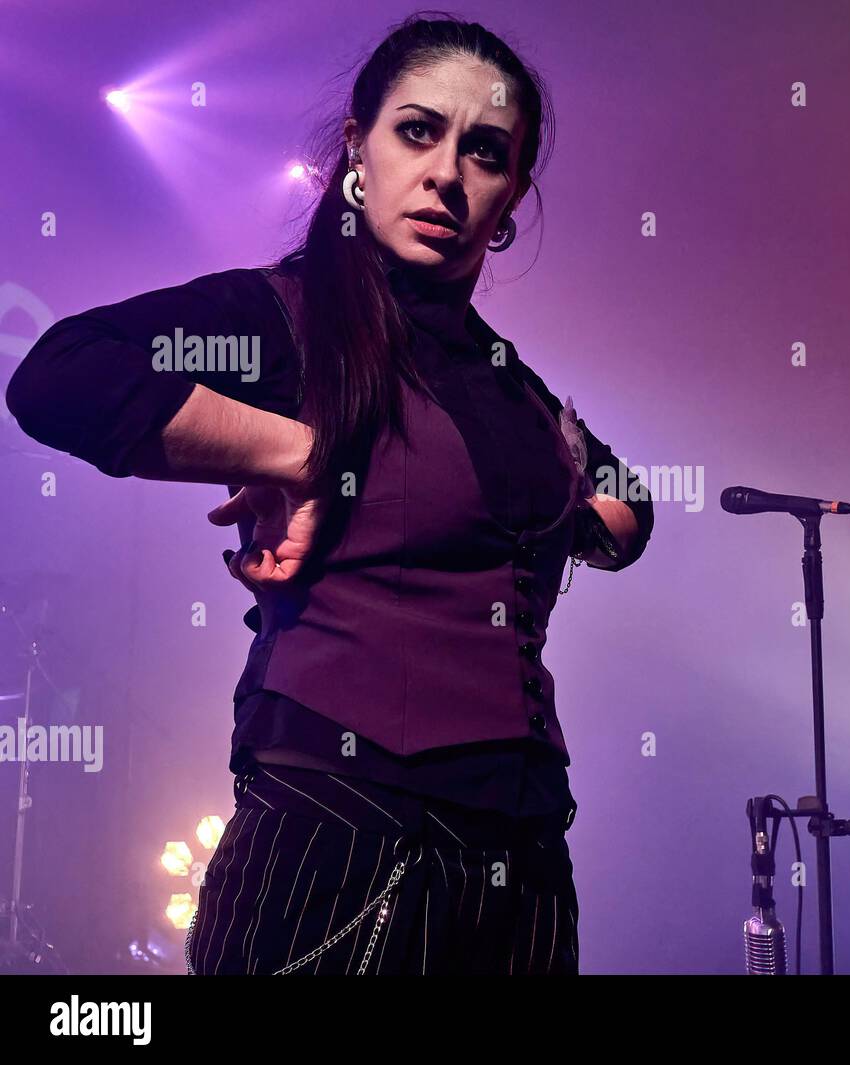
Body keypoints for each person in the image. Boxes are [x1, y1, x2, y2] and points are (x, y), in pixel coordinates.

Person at [5, 14, 654, 974]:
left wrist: (585, 514)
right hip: (346, 846)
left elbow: (627, 504)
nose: (447, 174)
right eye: (418, 131)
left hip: (525, 862)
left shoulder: (506, 376)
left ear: (512, 192)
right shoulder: (286, 315)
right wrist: (292, 450)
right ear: (360, 147)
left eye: (486, 152)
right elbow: (57, 376)